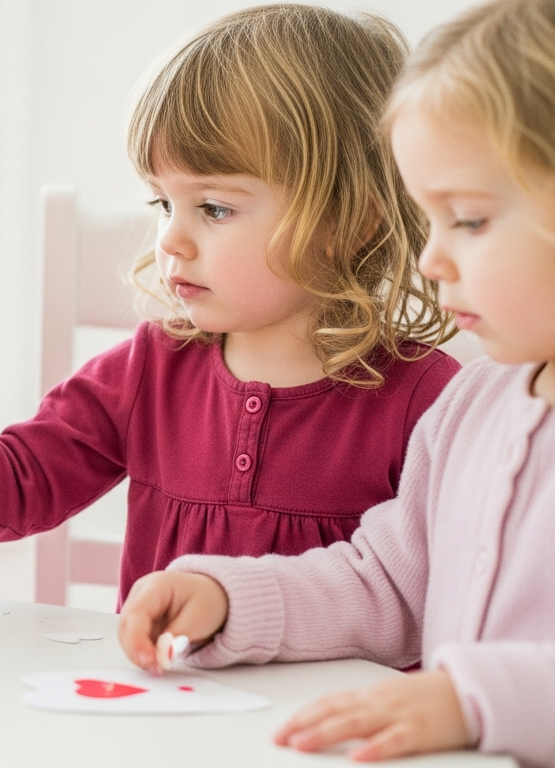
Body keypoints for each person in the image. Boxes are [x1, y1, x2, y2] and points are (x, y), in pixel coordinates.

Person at [0, 4, 460, 605]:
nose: (171, 238)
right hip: (161, 719)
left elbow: (452, 597)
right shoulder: (151, 369)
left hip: (332, 731)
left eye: (215, 208)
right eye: (163, 203)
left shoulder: (429, 402)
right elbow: (18, 489)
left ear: (351, 221)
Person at [116, 1, 555, 764]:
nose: (430, 259)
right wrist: (231, 601)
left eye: (471, 221)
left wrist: (474, 698)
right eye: (430, 219)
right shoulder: (473, 409)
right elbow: (383, 584)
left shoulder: (437, 393)